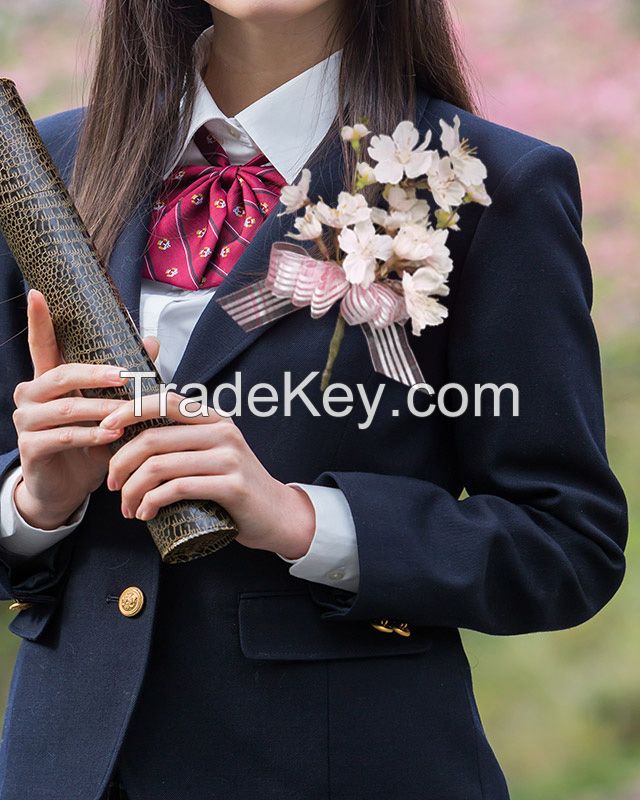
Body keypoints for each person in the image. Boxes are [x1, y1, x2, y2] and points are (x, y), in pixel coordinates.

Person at [0, 1, 628, 799]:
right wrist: (35, 500)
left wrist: (304, 519)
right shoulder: (41, 170)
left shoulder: (488, 186)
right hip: (67, 771)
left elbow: (569, 544)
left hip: (341, 769)